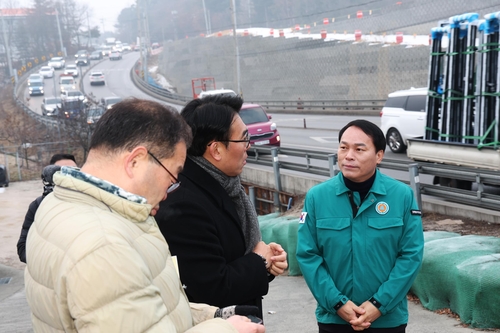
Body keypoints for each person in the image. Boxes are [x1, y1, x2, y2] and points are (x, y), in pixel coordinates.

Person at [24, 99, 265, 333]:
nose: (172, 187)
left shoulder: (58, 206)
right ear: (136, 161)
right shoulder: (104, 245)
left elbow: (143, 309)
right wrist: (223, 329)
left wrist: (212, 316)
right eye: (173, 174)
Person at [155, 95, 288, 319]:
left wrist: (266, 265)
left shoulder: (225, 187)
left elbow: (232, 257)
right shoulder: (185, 205)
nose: (249, 146)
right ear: (216, 150)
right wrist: (258, 261)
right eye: (243, 139)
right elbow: (210, 288)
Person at [296, 119, 424, 333]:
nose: (348, 156)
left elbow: (411, 255)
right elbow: (308, 255)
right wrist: (338, 304)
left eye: (359, 149)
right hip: (334, 319)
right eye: (343, 147)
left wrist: (378, 304)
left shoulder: (401, 196)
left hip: (387, 320)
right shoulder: (317, 197)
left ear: (379, 155)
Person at [17, 153, 77, 263]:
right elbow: (23, 249)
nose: (69, 176)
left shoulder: (91, 204)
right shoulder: (38, 205)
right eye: (62, 172)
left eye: (74, 171)